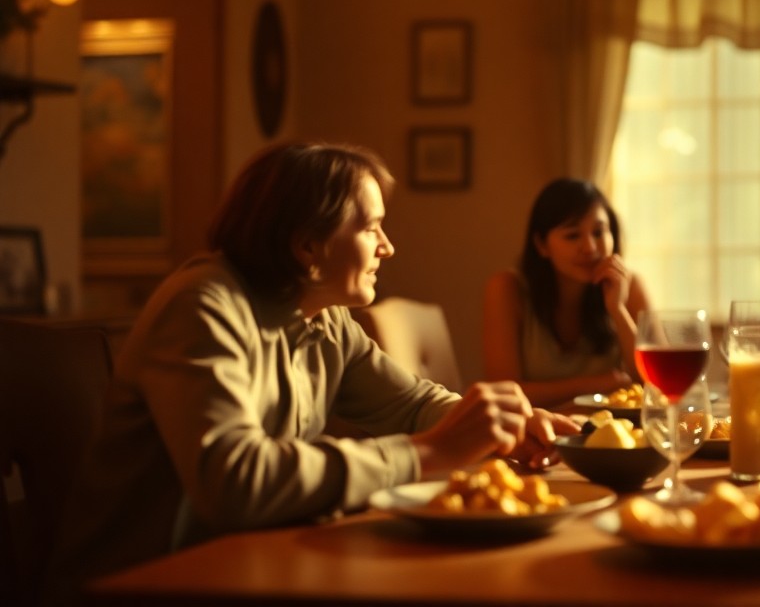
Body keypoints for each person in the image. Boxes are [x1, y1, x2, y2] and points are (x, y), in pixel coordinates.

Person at [50, 142, 577, 597]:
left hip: (246, 569)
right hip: (140, 586)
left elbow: (408, 403)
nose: (387, 247)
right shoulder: (204, 306)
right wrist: (433, 452)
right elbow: (235, 482)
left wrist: (500, 426)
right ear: (307, 245)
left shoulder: (325, 318)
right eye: (371, 227)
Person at [482, 178, 650, 408]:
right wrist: (595, 384)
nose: (590, 247)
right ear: (542, 245)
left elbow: (657, 384)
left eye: (599, 232)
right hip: (536, 434)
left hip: (612, 434)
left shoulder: (629, 286)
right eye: (573, 235)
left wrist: (618, 310)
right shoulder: (508, 288)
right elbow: (502, 392)